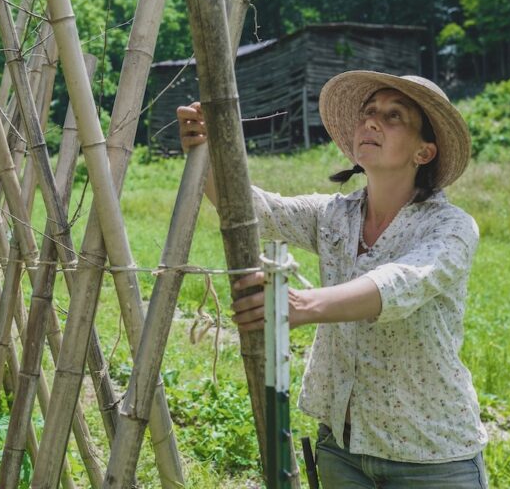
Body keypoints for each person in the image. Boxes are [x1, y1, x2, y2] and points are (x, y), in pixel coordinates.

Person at [177, 71, 489, 488]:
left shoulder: (450, 228)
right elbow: (256, 209)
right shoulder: (334, 216)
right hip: (342, 448)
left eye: (394, 116)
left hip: (430, 455)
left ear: (424, 152)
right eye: (369, 112)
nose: (372, 122)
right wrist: (202, 152)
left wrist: (299, 306)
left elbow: (400, 283)